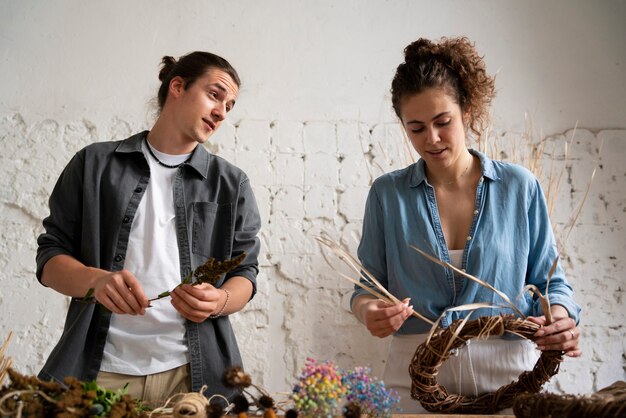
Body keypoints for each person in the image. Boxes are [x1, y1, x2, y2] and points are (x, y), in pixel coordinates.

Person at [351, 37, 581, 414]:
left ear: (468, 111)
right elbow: (366, 285)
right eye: (417, 128)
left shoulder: (520, 186)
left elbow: (551, 281)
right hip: (414, 380)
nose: (433, 139)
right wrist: (369, 312)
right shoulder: (386, 194)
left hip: (511, 377)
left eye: (443, 122)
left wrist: (560, 318)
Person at [36, 51, 261, 404]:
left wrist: (219, 300)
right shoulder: (94, 165)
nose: (221, 112)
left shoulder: (230, 183)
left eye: (230, 105)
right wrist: (95, 281)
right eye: (215, 95)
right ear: (177, 86)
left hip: (193, 378)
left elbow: (246, 271)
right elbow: (50, 258)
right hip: (100, 372)